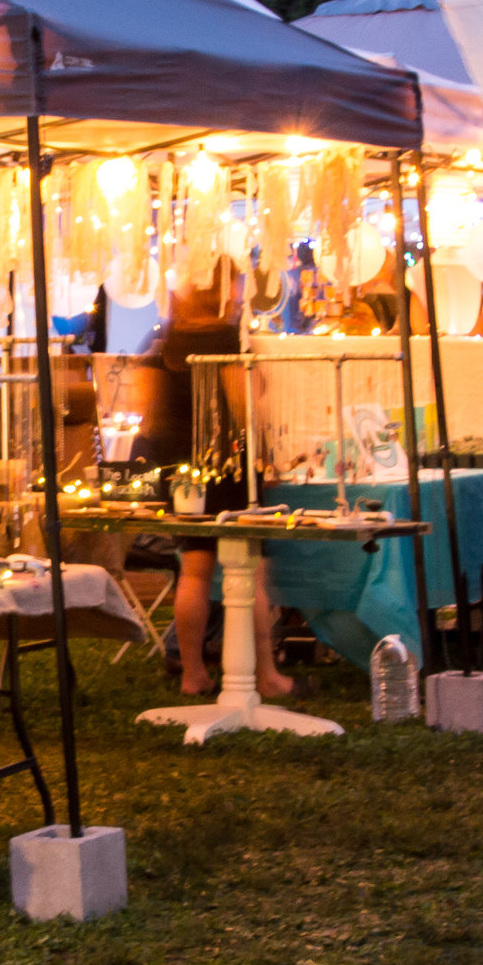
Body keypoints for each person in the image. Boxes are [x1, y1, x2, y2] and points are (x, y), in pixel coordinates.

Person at [133, 259, 300, 701]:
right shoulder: (227, 340)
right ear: (225, 289)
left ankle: (192, 673)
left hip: (179, 471)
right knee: (251, 573)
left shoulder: (161, 340)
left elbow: (145, 410)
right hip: (227, 469)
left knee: (193, 570)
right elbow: (242, 407)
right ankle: (265, 673)